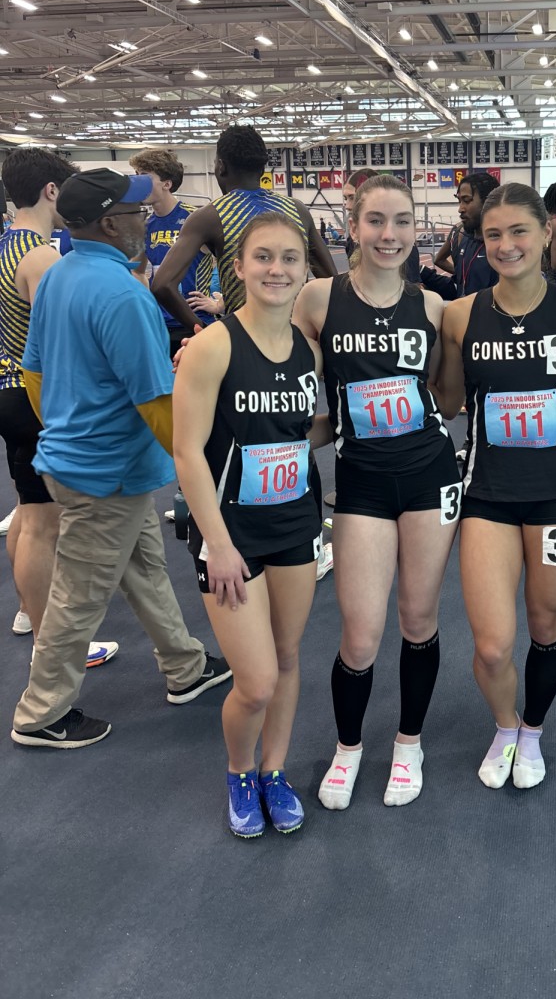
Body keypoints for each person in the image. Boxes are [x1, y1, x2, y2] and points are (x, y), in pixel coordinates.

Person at [11, 168, 232, 750]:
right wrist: (199, 466)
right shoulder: (123, 294)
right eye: (137, 212)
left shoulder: (57, 276)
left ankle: (185, 667)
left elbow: (34, 370)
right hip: (105, 473)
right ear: (110, 222)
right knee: (78, 597)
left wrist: (66, 424)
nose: (147, 219)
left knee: (144, 569)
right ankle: (40, 713)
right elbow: (158, 401)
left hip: (88, 464)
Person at [294, 175, 459, 810]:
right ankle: (348, 747)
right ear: (352, 226)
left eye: (401, 222)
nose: (388, 235)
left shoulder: (435, 308)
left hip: (429, 475)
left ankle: (409, 742)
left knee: (418, 619)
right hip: (359, 480)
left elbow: (444, 398)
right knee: (359, 636)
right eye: (375, 222)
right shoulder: (318, 299)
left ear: (417, 228)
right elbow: (297, 390)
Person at [174, 211, 330, 837]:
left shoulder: (308, 351)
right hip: (229, 538)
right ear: (237, 267)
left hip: (295, 525)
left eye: (290, 258)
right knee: (257, 681)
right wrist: (216, 544)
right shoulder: (213, 345)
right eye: (263, 257)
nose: (277, 269)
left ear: (304, 269)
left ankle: (274, 770)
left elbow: (298, 433)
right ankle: (240, 771)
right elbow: (187, 453)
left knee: (288, 658)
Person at [437, 183, 556, 790]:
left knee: (546, 625)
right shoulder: (460, 314)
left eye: (519, 231)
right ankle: (504, 726)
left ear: (546, 232)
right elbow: (449, 400)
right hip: (487, 494)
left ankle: (532, 730)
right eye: (494, 234)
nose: (506, 245)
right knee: (494, 642)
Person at [0, 150, 119, 662]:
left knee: (30, 514)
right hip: (33, 397)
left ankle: (31, 611)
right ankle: (55, 643)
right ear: (52, 191)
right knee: (45, 524)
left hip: (9, 391)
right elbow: (68, 334)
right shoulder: (42, 256)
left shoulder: (5, 244)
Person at [151, 125, 336, 332]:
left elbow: (162, 285)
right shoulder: (297, 210)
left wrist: (203, 331)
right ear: (262, 169)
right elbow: (331, 281)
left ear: (221, 166)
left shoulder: (209, 217)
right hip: (295, 338)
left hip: (244, 342)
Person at [129, 148, 215, 357]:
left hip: (196, 322)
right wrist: (149, 303)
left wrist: (218, 303)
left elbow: (233, 262)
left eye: (146, 177)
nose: (139, 182)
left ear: (167, 184)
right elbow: (137, 271)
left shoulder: (195, 219)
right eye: (137, 175)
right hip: (161, 325)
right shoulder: (146, 226)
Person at [454, 174, 500, 297]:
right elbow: (460, 288)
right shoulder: (464, 240)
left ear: (488, 202)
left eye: (467, 201)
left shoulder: (502, 247)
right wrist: (423, 272)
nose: (460, 209)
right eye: (459, 201)